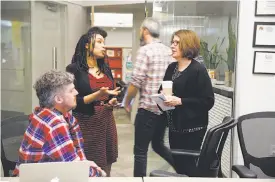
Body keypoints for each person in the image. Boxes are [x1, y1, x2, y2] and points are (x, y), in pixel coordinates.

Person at [12, 70, 106, 177]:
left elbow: (77, 160)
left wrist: (85, 165)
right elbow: (75, 171)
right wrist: (97, 171)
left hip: (47, 176)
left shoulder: (63, 118)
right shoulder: (54, 123)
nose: (76, 93)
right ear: (58, 99)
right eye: (71, 91)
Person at [124, 17, 175, 177]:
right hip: (165, 109)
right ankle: (185, 170)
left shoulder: (145, 50)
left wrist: (127, 101)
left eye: (141, 29)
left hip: (147, 110)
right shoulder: (169, 51)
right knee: (158, 145)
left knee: (140, 151)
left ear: (145, 31)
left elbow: (136, 81)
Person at [66, 27, 120, 177]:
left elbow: (109, 95)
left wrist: (112, 101)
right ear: (86, 44)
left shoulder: (105, 68)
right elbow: (73, 102)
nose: (104, 46)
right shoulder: (74, 70)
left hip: (106, 121)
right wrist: (98, 95)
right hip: (86, 123)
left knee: (107, 164)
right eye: (99, 42)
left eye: (104, 42)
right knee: (88, 165)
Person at [162, 29, 214, 176]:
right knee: (179, 165)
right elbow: (164, 88)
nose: (172, 45)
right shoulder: (171, 67)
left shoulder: (198, 70)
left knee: (188, 167)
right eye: (172, 42)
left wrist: (180, 101)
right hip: (175, 125)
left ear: (187, 45)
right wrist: (162, 96)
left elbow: (207, 101)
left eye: (176, 43)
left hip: (193, 128)